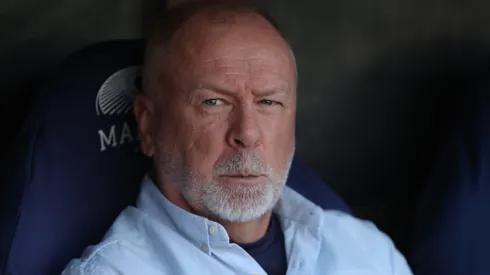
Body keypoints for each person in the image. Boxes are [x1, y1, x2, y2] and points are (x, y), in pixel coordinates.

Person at [62, 1, 413, 274]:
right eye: (213, 102)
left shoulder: (366, 249)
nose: (247, 133)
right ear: (148, 124)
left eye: (269, 102)